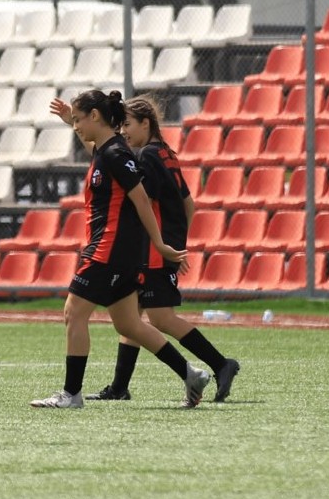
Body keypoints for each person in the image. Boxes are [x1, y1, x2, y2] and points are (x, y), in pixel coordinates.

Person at [31, 89, 210, 409]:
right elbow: (96, 149)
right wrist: (67, 120)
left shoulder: (116, 153)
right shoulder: (107, 149)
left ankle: (71, 395)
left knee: (73, 313)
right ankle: (190, 373)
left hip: (109, 250)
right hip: (120, 251)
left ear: (96, 116)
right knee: (128, 325)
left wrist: (159, 244)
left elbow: (140, 199)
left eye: (79, 119)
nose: (76, 126)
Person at [86, 95, 241, 403]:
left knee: (160, 318)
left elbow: (140, 198)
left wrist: (164, 247)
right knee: (132, 316)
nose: (124, 132)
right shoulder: (166, 153)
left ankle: (221, 364)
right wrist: (176, 243)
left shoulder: (146, 156)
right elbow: (189, 204)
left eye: (128, 124)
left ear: (146, 123)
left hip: (151, 249)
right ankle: (119, 386)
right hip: (157, 246)